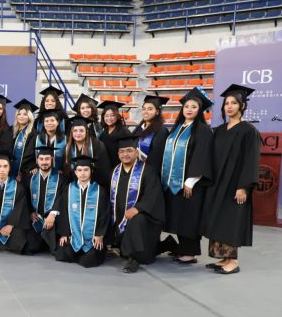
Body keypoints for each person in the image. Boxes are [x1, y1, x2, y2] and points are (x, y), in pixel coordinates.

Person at [201, 84, 260, 275]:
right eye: (227, 103)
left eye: (234, 103)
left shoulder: (248, 131)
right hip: (218, 183)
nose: (229, 106)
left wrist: (243, 187)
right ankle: (224, 257)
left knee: (231, 220)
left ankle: (233, 261)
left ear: (242, 105)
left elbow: (251, 160)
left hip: (235, 183)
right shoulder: (219, 130)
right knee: (218, 219)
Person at [159, 87, 214, 265]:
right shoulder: (177, 128)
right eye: (187, 106)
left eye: (194, 107)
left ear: (199, 111)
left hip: (190, 184)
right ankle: (182, 249)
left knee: (189, 218)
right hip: (173, 182)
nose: (189, 109)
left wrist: (191, 181)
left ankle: (190, 253)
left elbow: (202, 156)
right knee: (179, 217)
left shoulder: (202, 130)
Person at [107, 134, 165, 273]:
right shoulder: (114, 172)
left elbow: (153, 195)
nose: (125, 154)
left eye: (129, 150)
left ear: (136, 152)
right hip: (119, 216)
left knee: (136, 220)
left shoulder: (148, 171)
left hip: (143, 217)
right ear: (118, 154)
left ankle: (134, 258)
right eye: (122, 151)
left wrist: (138, 208)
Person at [54, 155, 110, 268]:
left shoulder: (99, 191)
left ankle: (87, 253)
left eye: (86, 170)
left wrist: (99, 234)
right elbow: (63, 212)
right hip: (74, 237)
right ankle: (79, 252)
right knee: (61, 254)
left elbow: (105, 214)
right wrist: (64, 233)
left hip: (92, 238)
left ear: (91, 171)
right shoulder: (69, 189)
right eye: (79, 170)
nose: (82, 173)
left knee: (88, 261)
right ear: (75, 172)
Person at [24, 145, 66, 255]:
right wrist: (30, 212)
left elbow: (62, 198)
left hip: (53, 220)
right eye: (41, 159)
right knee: (30, 247)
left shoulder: (60, 178)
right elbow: (25, 197)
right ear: (37, 160)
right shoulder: (30, 177)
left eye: (47, 159)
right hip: (35, 220)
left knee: (57, 250)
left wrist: (53, 214)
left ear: (52, 159)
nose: (44, 162)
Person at [63, 116, 111, 188]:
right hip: (73, 186)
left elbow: (103, 167)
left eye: (81, 130)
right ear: (71, 132)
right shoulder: (68, 147)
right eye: (75, 130)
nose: (78, 133)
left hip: (94, 184)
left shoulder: (97, 144)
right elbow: (66, 169)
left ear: (86, 131)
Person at [133, 95, 170, 171]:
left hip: (151, 171)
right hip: (136, 169)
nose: (145, 112)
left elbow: (157, 157)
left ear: (157, 112)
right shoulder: (139, 129)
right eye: (144, 109)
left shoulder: (161, 131)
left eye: (150, 109)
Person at [25, 109, 66, 174]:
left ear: (57, 122)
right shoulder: (36, 139)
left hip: (59, 174)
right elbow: (28, 157)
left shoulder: (65, 139)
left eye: (52, 120)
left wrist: (63, 170)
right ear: (43, 124)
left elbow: (68, 158)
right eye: (46, 121)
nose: (49, 123)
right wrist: (33, 167)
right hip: (39, 174)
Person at [97, 100, 130, 169]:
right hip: (106, 166)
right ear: (103, 117)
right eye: (106, 116)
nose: (109, 118)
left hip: (119, 166)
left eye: (112, 115)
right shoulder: (104, 132)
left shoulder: (124, 131)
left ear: (117, 116)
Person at [10, 99, 37, 180]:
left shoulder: (33, 133)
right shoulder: (11, 130)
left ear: (29, 117)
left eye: (25, 114)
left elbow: (30, 154)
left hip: (25, 172)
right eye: (19, 114)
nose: (21, 116)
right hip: (9, 171)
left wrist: (22, 171)